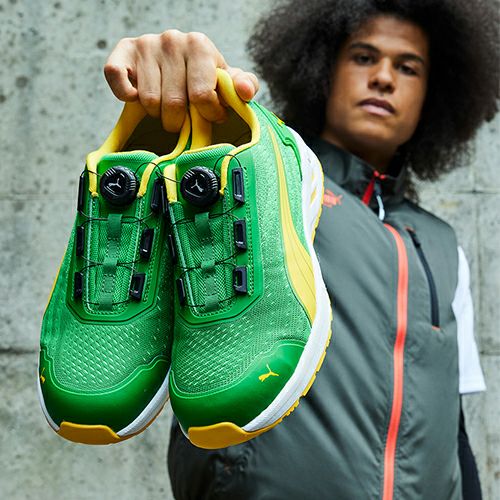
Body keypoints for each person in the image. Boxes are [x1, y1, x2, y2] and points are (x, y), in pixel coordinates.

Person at [103, 0, 498, 498]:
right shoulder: (264, 179)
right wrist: (177, 80)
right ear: (321, 69)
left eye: (408, 67)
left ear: (433, 93)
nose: (383, 78)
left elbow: (453, 428)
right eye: (364, 57)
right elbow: (197, 161)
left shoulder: (441, 245)